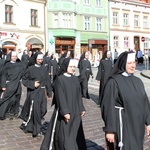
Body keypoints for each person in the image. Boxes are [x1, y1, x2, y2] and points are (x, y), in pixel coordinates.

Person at [100, 51, 150, 150]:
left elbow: (145, 102)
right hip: (123, 124)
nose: (133, 66)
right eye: (129, 63)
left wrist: (148, 123)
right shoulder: (113, 82)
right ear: (123, 64)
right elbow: (107, 106)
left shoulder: (138, 81)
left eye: (134, 62)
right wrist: (110, 130)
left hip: (137, 125)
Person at [40, 58, 86, 150]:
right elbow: (60, 97)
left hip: (75, 110)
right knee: (65, 134)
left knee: (75, 133)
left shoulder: (75, 79)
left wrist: (82, 108)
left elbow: (78, 95)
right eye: (70, 66)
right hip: (65, 110)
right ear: (65, 66)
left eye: (73, 67)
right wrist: (65, 112)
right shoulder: (60, 80)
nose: (72, 68)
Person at [19, 52, 52, 137]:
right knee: (36, 111)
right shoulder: (30, 69)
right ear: (35, 59)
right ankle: (37, 129)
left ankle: (32, 123)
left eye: (41, 59)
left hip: (42, 92)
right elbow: (24, 80)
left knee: (43, 110)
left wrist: (49, 93)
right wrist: (33, 84)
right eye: (38, 59)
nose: (40, 61)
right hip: (34, 93)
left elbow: (48, 81)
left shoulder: (44, 68)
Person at [0, 51, 24, 120]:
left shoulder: (19, 64)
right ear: (10, 57)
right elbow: (3, 76)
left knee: (16, 99)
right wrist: (3, 86)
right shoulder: (7, 65)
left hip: (18, 85)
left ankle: (14, 112)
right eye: (13, 56)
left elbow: (23, 73)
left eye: (15, 56)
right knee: (7, 99)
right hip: (10, 84)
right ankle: (1, 113)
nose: (14, 57)